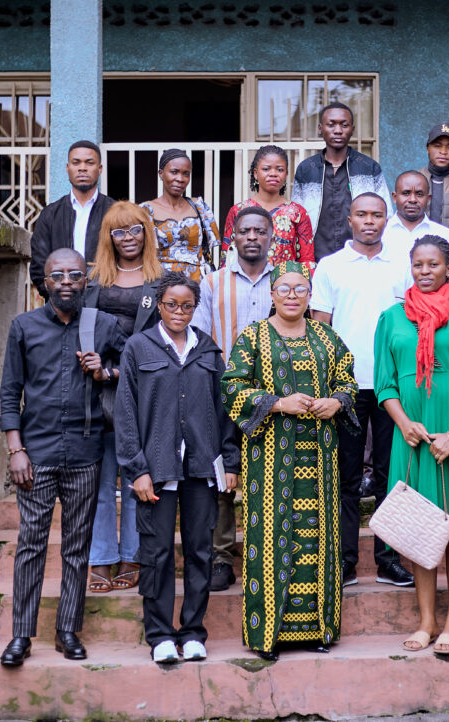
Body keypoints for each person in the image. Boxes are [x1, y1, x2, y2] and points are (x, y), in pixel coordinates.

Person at [222, 261, 359, 661]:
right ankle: (267, 634)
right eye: (284, 288)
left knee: (319, 540)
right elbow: (231, 386)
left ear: (310, 295)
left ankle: (318, 629)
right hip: (269, 458)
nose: (292, 295)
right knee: (270, 539)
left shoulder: (327, 337)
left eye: (300, 289)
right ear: (272, 294)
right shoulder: (252, 337)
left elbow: (348, 380)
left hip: (320, 458)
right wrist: (278, 403)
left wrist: (337, 401)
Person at [0, 248, 126, 666]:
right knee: (31, 544)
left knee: (77, 545)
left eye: (74, 274)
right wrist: (16, 450)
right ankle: (21, 636)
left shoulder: (102, 324)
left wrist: (105, 371)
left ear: (86, 280)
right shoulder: (24, 326)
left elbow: (136, 368)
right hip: (36, 453)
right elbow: (9, 392)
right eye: (58, 275)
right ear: (45, 282)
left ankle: (67, 630)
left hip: (86, 452)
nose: (66, 282)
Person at [374, 235, 449, 654]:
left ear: (448, 268)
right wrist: (404, 423)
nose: (425, 271)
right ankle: (426, 620)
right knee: (417, 528)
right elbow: (385, 383)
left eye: (433, 264)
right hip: (412, 435)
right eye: (418, 265)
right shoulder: (391, 318)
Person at [115, 272, 239, 664]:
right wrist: (137, 469)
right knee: (157, 552)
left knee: (200, 550)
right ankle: (160, 635)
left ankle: (193, 631)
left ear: (195, 307)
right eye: (172, 304)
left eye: (187, 306)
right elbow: (126, 413)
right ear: (159, 304)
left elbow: (224, 412)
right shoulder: (138, 347)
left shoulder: (208, 351)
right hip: (156, 468)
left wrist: (230, 462)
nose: (179, 312)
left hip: (202, 467)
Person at [311, 193, 415, 587]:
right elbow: (320, 326)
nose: (369, 221)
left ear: (387, 219)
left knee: (392, 476)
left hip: (393, 386)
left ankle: (388, 561)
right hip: (345, 387)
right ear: (349, 219)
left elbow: (414, 323)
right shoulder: (330, 266)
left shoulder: (403, 264)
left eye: (377, 215)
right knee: (346, 477)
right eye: (362, 214)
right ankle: (345, 561)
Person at [192, 205, 276, 592]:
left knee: (271, 473)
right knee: (222, 477)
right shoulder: (212, 283)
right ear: (233, 238)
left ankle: (268, 552)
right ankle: (221, 557)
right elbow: (200, 338)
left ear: (271, 236)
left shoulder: (287, 280)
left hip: (276, 396)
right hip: (225, 391)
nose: (252, 237)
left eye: (260, 231)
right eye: (245, 231)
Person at [84, 201, 164, 594]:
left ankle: (132, 554)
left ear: (146, 233)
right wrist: (94, 365)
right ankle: (101, 556)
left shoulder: (159, 281)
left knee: (136, 476)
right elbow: (78, 331)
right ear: (109, 237)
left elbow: (165, 338)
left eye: (135, 229)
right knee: (100, 481)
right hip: (94, 390)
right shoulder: (92, 281)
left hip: (141, 387)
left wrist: (120, 371)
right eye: (119, 231)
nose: (128, 238)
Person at [291, 101, 392, 262]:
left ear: (352, 129)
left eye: (344, 125)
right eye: (331, 125)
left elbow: (386, 215)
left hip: (361, 257)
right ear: (320, 128)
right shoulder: (306, 170)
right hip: (316, 258)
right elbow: (296, 218)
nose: (338, 130)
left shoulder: (369, 168)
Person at [30, 140, 116, 298]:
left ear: (100, 169)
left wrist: (109, 296)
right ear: (67, 168)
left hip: (105, 301)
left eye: (89, 162)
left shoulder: (114, 212)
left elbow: (125, 260)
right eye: (76, 162)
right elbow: (38, 266)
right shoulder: (50, 214)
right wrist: (57, 298)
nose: (82, 168)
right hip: (60, 301)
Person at [219, 145, 315, 268]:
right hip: (244, 279)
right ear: (255, 173)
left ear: (286, 174)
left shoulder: (298, 213)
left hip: (285, 280)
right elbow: (227, 258)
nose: (273, 174)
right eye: (266, 169)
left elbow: (307, 262)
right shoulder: (238, 211)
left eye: (280, 170)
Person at [140, 148, 221, 281]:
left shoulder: (199, 207)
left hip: (198, 282)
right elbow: (140, 254)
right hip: (162, 282)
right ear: (161, 174)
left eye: (186, 174)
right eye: (174, 172)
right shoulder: (147, 210)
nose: (180, 179)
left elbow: (207, 252)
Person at [383, 170, 449, 254]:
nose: (413, 200)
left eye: (419, 194)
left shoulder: (446, 236)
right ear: (394, 197)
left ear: (428, 199)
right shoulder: (381, 234)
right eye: (406, 193)